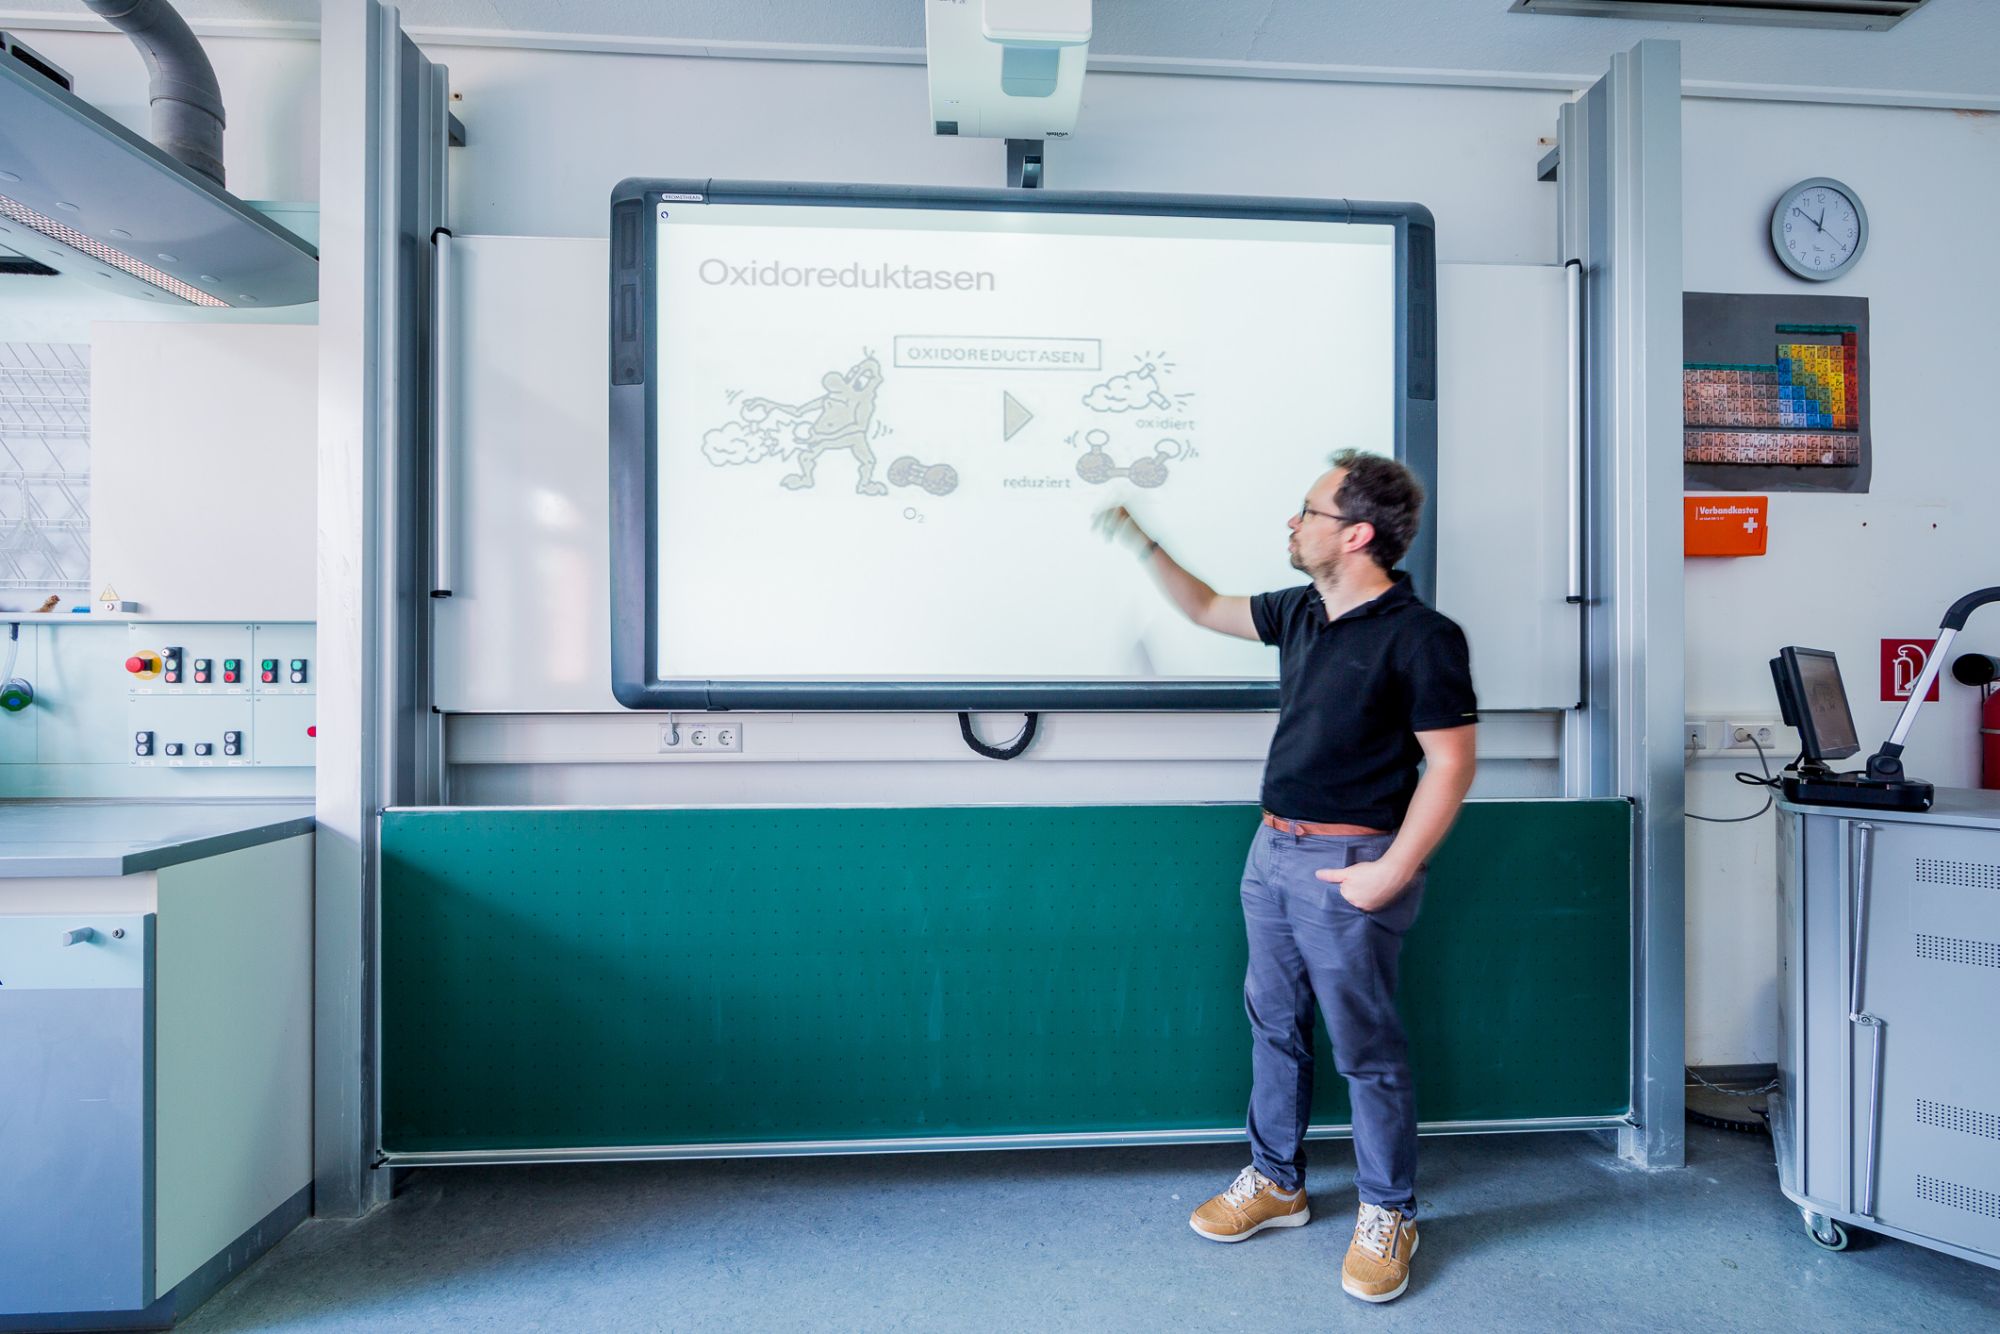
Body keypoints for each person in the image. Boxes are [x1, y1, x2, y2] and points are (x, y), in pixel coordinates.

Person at [1097, 450, 1477, 1305]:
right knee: (1274, 1026)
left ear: (1358, 534)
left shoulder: (1422, 637)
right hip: (1270, 855)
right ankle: (1278, 1182)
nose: (1293, 523)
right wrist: (1144, 541)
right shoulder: (1301, 612)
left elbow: (1451, 765)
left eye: (1308, 511)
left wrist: (1391, 871)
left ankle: (1388, 1211)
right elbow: (1201, 606)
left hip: (1352, 866)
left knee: (1366, 1050)